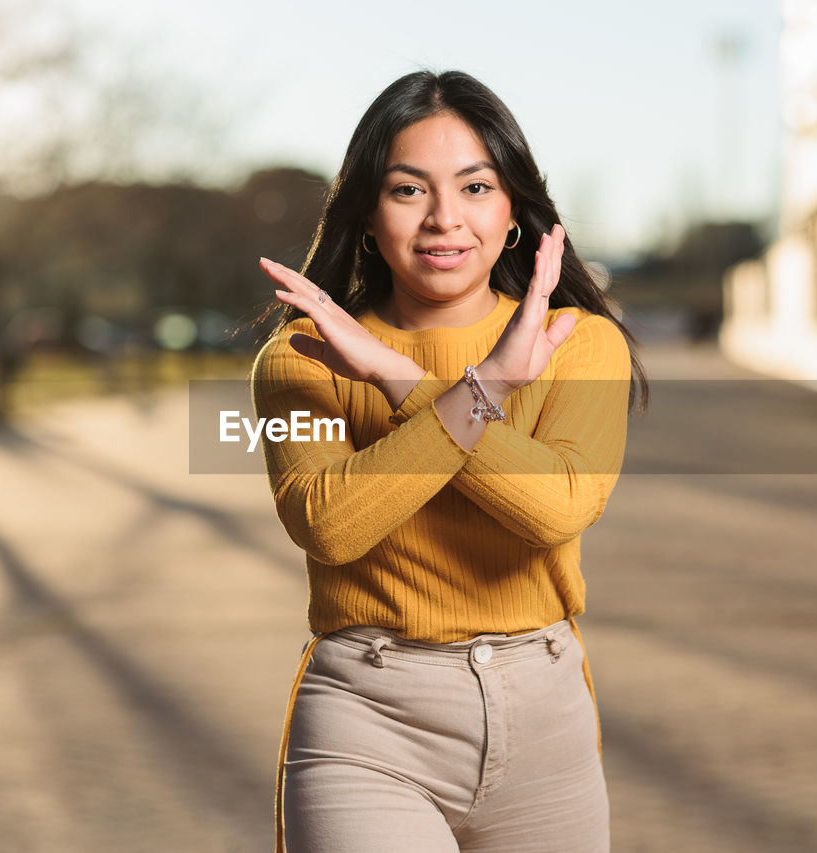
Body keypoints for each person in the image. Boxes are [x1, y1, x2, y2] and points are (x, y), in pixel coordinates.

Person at [250, 69, 648, 853]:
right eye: (408, 190)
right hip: (368, 715)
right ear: (367, 215)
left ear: (513, 215)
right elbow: (330, 525)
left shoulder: (580, 345)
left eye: (474, 186)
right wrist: (486, 388)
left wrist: (401, 378)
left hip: (544, 717)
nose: (444, 219)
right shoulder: (301, 359)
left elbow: (560, 507)